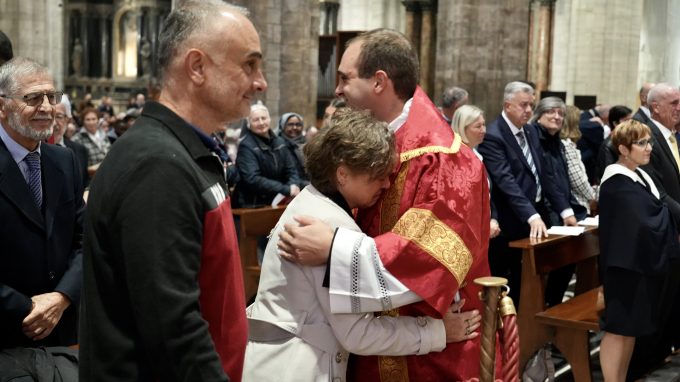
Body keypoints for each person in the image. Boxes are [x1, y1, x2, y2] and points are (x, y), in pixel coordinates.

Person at [278, 29, 492, 381]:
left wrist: (334, 248)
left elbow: (430, 259)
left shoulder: (443, 159)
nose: (337, 89)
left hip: (427, 353)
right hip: (368, 338)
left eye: (345, 78)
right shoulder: (382, 140)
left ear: (379, 82)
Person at [79, 1, 267, 380]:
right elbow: (173, 329)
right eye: (249, 64)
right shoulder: (157, 164)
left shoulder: (187, 152)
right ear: (197, 67)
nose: (260, 81)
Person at [244, 108, 481, 381]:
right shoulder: (328, 223)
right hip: (295, 368)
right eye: (377, 175)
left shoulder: (312, 200)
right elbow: (358, 334)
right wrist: (438, 332)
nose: (386, 183)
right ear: (343, 174)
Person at [0, 57, 84, 349]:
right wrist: (29, 310)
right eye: (33, 98)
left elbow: (85, 240)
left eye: (52, 96)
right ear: (2, 106)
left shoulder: (64, 160)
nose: (48, 107)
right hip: (7, 332)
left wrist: (61, 297)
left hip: (62, 331)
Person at [598, 119, 679, 381]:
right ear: (623, 148)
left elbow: (658, 208)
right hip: (624, 268)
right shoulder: (615, 181)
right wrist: (664, 216)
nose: (648, 148)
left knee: (631, 330)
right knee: (618, 329)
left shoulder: (641, 175)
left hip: (639, 265)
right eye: (641, 143)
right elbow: (645, 219)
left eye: (649, 142)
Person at [627, 83, 680, 379]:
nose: (679, 108)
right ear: (655, 106)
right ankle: (644, 365)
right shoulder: (644, 136)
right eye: (674, 103)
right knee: (656, 304)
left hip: (672, 232)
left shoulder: (670, 135)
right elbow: (656, 191)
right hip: (659, 235)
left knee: (671, 300)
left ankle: (661, 355)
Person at [233, 103, 301, 208]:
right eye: (255, 120)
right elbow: (252, 178)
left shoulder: (280, 142)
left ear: (269, 119)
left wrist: (293, 185)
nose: (261, 122)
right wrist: (286, 189)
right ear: (249, 124)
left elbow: (291, 170)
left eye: (263, 118)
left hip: (279, 200)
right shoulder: (246, 146)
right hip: (254, 204)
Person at [451, 104, 500, 239]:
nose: (484, 130)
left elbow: (487, 193)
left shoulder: (477, 155)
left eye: (484, 125)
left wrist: (493, 218)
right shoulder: (455, 158)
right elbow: (460, 203)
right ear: (462, 128)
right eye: (478, 126)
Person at [561, 105, 596, 214]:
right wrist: (592, 196)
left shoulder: (563, 143)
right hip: (577, 204)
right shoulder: (566, 145)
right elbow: (577, 180)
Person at [52, 95, 89, 187]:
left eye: (58, 116)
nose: (53, 123)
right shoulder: (33, 151)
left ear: (68, 119)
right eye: (49, 116)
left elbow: (84, 183)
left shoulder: (80, 150)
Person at [595, 105, 633, 184]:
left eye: (631, 121)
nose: (630, 125)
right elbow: (609, 174)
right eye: (626, 121)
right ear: (615, 123)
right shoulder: (608, 145)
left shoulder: (626, 140)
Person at [70, 107, 111, 178]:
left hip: (108, 176)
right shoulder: (76, 139)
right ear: (83, 121)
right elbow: (79, 168)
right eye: (88, 120)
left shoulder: (103, 134)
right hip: (90, 179)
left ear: (98, 120)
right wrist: (102, 166)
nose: (91, 122)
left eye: (94, 119)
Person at [278, 112, 309, 186]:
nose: (294, 127)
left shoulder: (307, 144)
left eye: (298, 124)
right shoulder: (278, 146)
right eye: (290, 124)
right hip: (289, 188)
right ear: (283, 126)